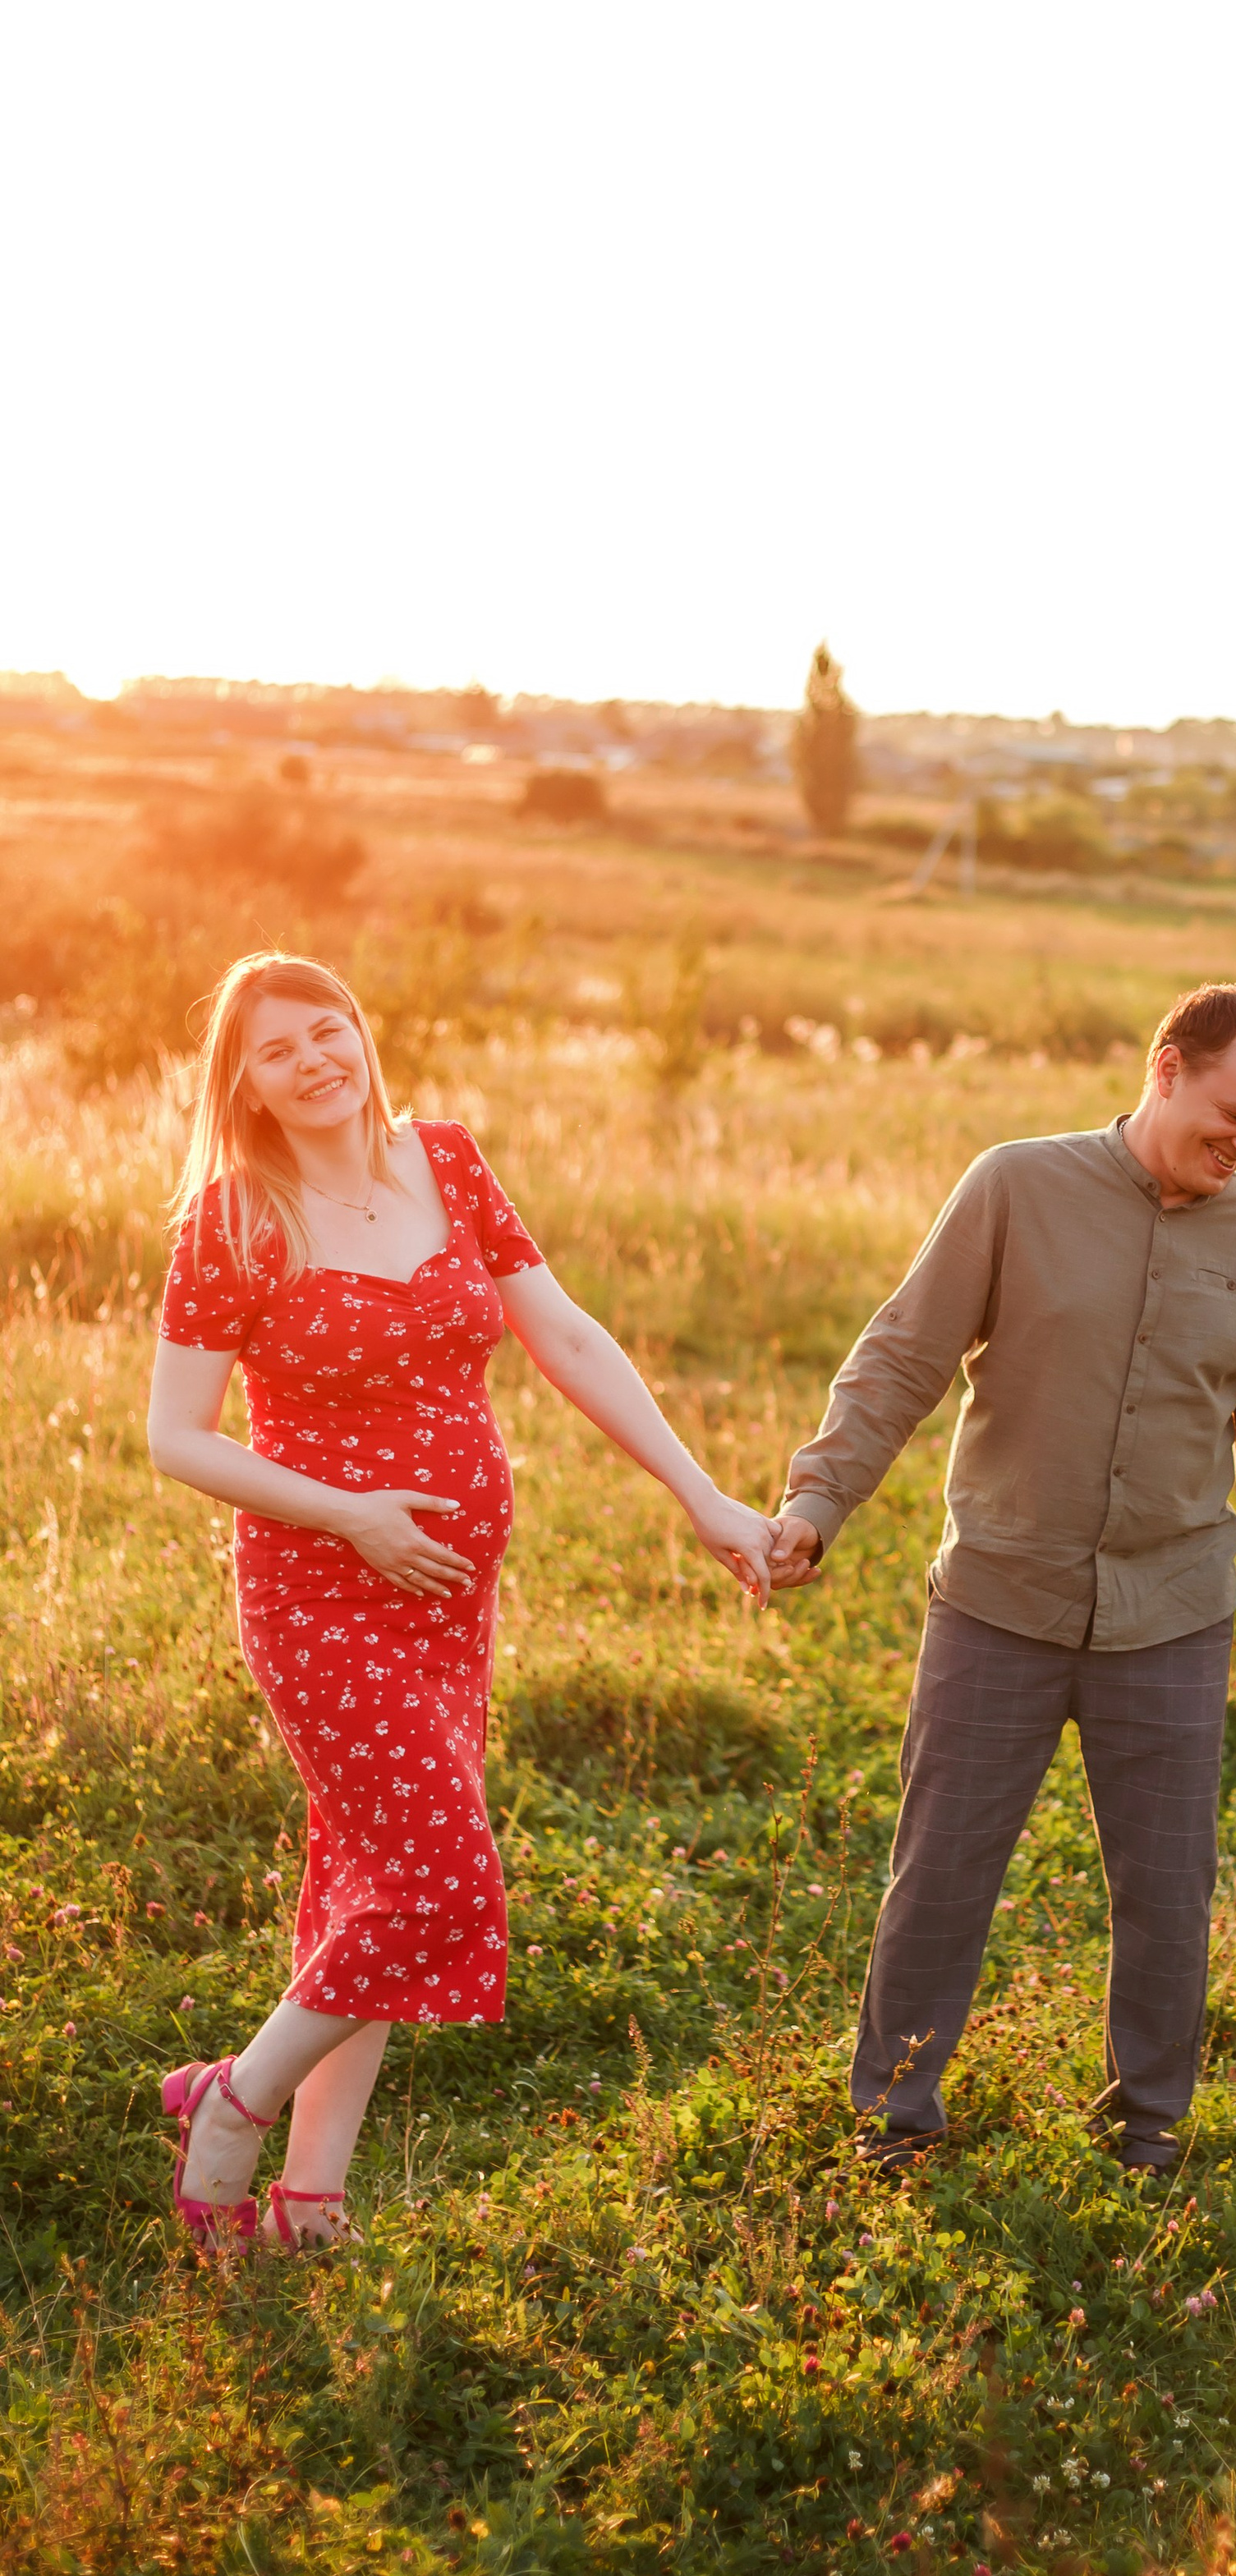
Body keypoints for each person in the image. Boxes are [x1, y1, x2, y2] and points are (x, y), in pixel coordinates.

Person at [147, 950, 777, 2252]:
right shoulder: (232, 1221)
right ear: (246, 1085)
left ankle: (310, 2201)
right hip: (320, 1594)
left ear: (362, 1031)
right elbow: (177, 1438)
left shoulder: (446, 1160)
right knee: (438, 1886)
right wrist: (351, 1514)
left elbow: (567, 1337)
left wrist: (702, 1495)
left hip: (447, 1602)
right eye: (278, 1051)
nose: (314, 1061)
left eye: (328, 1030)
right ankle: (233, 2098)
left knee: (370, 1879)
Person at [767, 982, 1236, 2175]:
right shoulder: (1015, 1187)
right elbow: (901, 1359)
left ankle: (1149, 2127)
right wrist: (817, 1504)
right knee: (942, 1873)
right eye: (1234, 1115)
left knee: (1169, 1892)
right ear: (1166, 1069)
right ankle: (894, 2121)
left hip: (1173, 1616)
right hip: (1000, 1601)